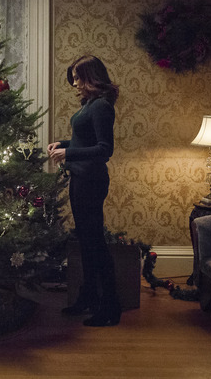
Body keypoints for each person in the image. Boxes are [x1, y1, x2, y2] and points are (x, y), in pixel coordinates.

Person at [47, 55, 121, 327]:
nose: (75, 83)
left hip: (91, 181)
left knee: (95, 244)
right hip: (81, 178)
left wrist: (69, 152)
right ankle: (88, 298)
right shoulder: (91, 105)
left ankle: (110, 308)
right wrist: (63, 143)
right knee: (87, 243)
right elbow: (84, 141)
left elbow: (104, 150)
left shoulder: (101, 106)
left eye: (79, 78)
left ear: (92, 77)